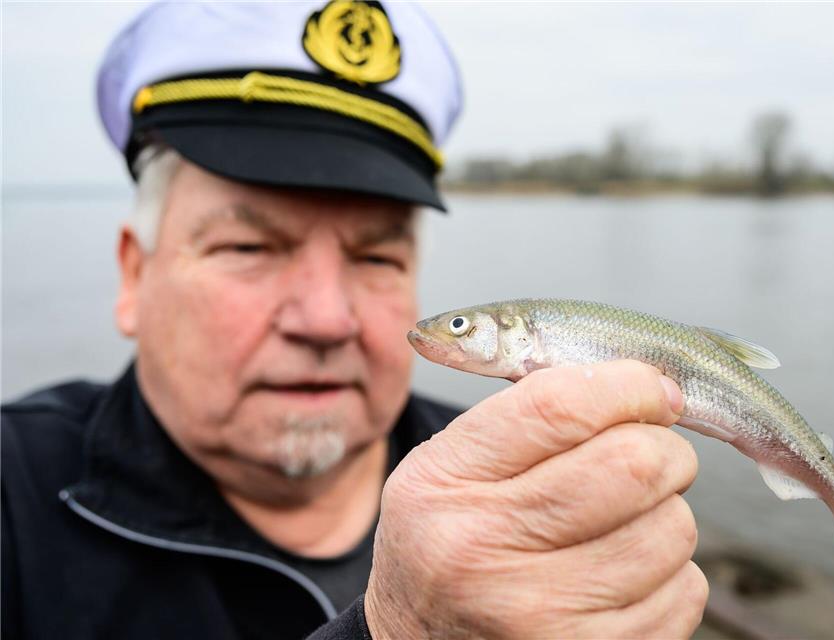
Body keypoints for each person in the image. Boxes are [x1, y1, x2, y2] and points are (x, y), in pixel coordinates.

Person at [1, 2, 708, 638]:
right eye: (248, 247)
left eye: (376, 257)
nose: (326, 319)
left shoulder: (543, 481)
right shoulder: (14, 500)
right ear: (134, 275)